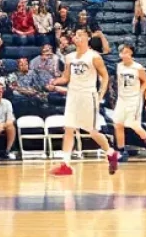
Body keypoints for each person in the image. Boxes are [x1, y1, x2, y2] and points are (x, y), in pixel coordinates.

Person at [50, 29, 118, 176]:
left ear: (88, 38)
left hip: (88, 96)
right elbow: (65, 78)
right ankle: (65, 165)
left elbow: (105, 77)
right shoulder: (69, 57)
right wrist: (55, 81)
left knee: (92, 131)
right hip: (73, 95)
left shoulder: (94, 57)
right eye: (76, 34)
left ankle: (111, 153)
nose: (77, 37)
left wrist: (101, 94)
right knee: (68, 129)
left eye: (81, 35)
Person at [112, 42, 146, 160]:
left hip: (134, 98)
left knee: (132, 124)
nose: (123, 55)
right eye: (122, 52)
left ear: (131, 53)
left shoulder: (138, 67)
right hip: (122, 98)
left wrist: (140, 92)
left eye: (126, 52)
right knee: (118, 124)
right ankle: (121, 151)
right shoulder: (119, 66)